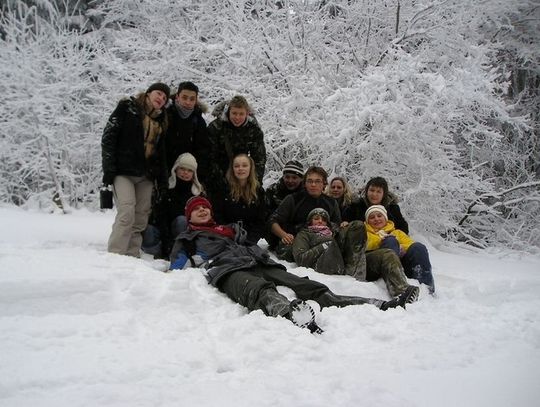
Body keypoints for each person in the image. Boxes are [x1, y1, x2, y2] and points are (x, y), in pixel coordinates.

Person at [169, 196, 411, 334]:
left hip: (257, 260)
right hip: (229, 270)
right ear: (188, 217)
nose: (201, 210)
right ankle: (291, 312)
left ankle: (376, 304)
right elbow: (176, 269)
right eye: (196, 209)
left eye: (204, 207)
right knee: (259, 290)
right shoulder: (188, 240)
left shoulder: (230, 230)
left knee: (308, 285)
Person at [101, 82, 170, 257]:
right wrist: (109, 170)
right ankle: (115, 254)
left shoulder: (161, 120)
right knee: (126, 211)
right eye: (158, 93)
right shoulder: (127, 108)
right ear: (148, 93)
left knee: (140, 217)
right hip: (123, 171)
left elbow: (160, 153)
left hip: (146, 175)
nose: (160, 98)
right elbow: (109, 137)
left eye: (164, 97)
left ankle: (132, 255)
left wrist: (162, 179)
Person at [292, 207, 420, 300]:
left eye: (324, 219)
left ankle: (402, 292)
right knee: (357, 226)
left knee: (387, 254)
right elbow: (301, 258)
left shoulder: (335, 231)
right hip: (326, 264)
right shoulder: (304, 234)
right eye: (316, 218)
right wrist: (325, 245)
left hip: (352, 262)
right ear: (310, 221)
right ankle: (355, 275)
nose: (320, 221)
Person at [142, 153, 205, 258]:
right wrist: (166, 241)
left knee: (182, 220)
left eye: (189, 170)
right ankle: (153, 261)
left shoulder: (197, 194)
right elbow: (160, 218)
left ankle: (180, 254)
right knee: (148, 230)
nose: (185, 173)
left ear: (194, 174)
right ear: (175, 169)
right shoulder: (165, 189)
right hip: (163, 232)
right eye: (182, 169)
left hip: (184, 235)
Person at [365, 205, 435, 294]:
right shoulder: (365, 233)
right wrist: (381, 241)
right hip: (379, 267)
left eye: (379, 216)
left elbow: (410, 244)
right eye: (372, 217)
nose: (376, 219)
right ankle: (395, 283)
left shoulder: (397, 232)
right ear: (367, 221)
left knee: (418, 247)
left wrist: (400, 246)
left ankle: (426, 288)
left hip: (402, 264)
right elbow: (366, 246)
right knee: (390, 240)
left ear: (385, 218)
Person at [206, 95, 266, 197]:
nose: (237, 117)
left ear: (247, 114)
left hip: (243, 175)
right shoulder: (216, 127)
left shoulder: (253, 130)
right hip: (219, 175)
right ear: (228, 112)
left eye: (241, 114)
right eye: (234, 113)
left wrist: (253, 182)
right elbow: (209, 157)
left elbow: (259, 158)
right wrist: (220, 181)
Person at [213, 153, 267, 245]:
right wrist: (229, 234)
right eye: (236, 166)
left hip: (250, 239)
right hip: (226, 238)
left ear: (250, 168)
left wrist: (250, 240)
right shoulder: (223, 189)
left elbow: (261, 220)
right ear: (232, 169)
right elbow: (218, 216)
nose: (240, 168)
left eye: (244, 165)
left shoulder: (258, 192)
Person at [164, 81, 211, 183]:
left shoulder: (198, 121)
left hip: (188, 173)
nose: (188, 102)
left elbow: (203, 150)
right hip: (165, 170)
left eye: (192, 99)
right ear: (177, 97)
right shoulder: (165, 115)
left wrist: (196, 172)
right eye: (184, 97)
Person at [343, 176, 409, 233]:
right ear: (366, 191)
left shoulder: (392, 208)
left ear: (384, 194)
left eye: (378, 192)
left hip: (387, 241)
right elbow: (346, 221)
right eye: (372, 190)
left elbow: (403, 228)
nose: (374, 194)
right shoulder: (356, 205)